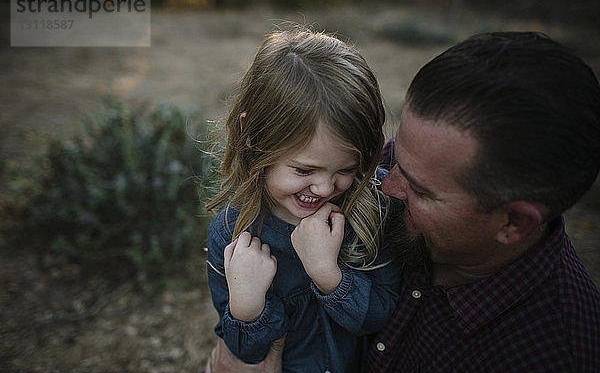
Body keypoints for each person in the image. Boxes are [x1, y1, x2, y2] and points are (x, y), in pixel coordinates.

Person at [206, 31, 600, 372]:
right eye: (387, 155)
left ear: (512, 223)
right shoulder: (381, 177)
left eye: (419, 189)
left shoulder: (552, 354)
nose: (383, 184)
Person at [204, 28, 403, 373]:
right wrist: (247, 309)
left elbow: (381, 317)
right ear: (254, 141)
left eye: (347, 168)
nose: (326, 188)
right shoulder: (232, 234)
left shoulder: (371, 208)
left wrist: (329, 276)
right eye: (304, 170)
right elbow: (246, 355)